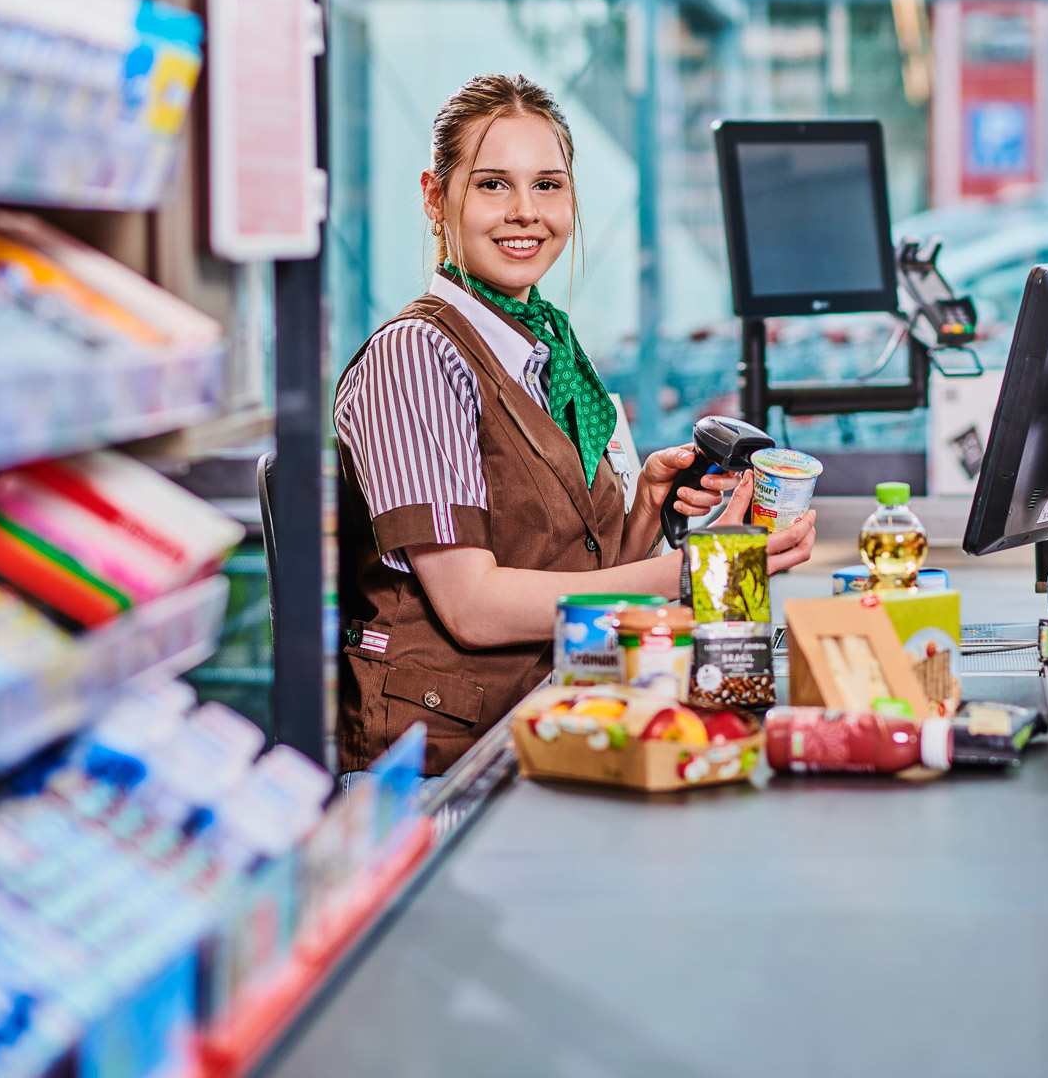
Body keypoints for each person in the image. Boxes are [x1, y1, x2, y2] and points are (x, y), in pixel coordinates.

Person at [333, 73, 817, 778]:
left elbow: (581, 584)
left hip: (550, 731)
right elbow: (472, 606)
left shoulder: (545, 353)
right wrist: (693, 573)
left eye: (548, 185)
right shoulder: (416, 356)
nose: (526, 212)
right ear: (436, 198)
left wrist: (645, 507)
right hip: (440, 775)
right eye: (493, 184)